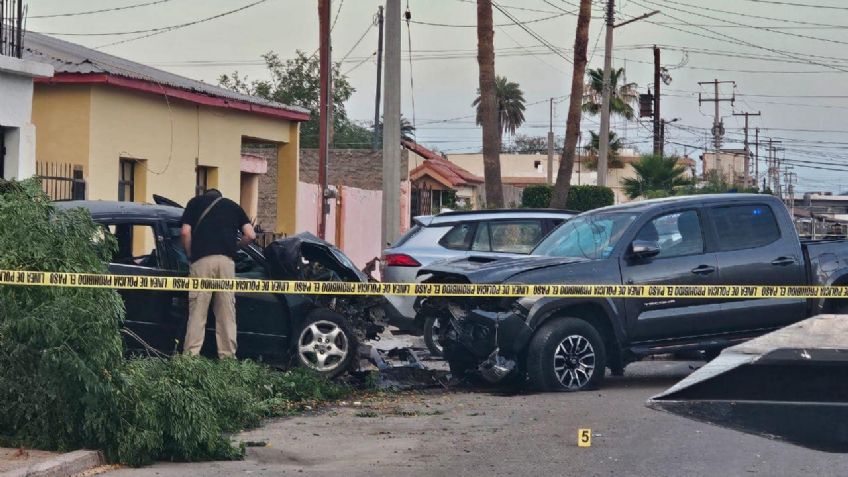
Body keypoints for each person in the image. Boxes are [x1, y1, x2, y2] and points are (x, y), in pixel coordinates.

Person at [180, 188, 256, 358]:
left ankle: (190, 358)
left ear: (204, 196)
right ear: (220, 198)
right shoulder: (233, 206)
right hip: (226, 262)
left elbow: (185, 232)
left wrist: (190, 254)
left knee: (198, 311)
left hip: (201, 261)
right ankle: (227, 358)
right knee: (226, 312)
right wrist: (234, 247)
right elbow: (250, 235)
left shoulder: (194, 203)